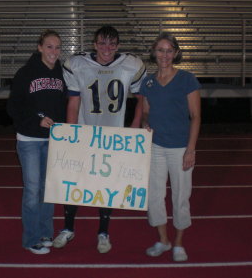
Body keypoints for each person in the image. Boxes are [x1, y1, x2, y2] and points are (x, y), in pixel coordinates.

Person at [53, 25, 147, 253]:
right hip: (86, 132)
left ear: (118, 45)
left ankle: (103, 232)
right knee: (74, 181)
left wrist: (135, 125)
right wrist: (71, 132)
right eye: (103, 43)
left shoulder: (131, 64)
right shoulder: (78, 64)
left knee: (107, 185)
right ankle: (68, 228)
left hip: (113, 135)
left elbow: (141, 97)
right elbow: (73, 101)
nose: (107, 48)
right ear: (94, 44)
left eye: (112, 44)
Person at [140, 32, 201, 262]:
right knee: (154, 196)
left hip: (179, 148)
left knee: (180, 197)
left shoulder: (187, 79)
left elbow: (195, 116)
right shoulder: (147, 81)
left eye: (169, 50)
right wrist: (145, 121)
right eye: (160, 50)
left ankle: (178, 243)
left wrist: (191, 148)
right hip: (155, 147)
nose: (164, 55)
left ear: (175, 53)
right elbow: (146, 110)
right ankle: (163, 240)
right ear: (154, 53)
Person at [7, 30, 67, 255]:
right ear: (40, 47)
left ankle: (44, 232)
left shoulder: (63, 74)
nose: (54, 51)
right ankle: (31, 239)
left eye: (57, 47)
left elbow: (66, 104)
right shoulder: (25, 73)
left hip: (54, 139)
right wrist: (37, 120)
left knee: (48, 189)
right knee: (32, 190)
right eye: (49, 46)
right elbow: (13, 108)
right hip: (30, 139)